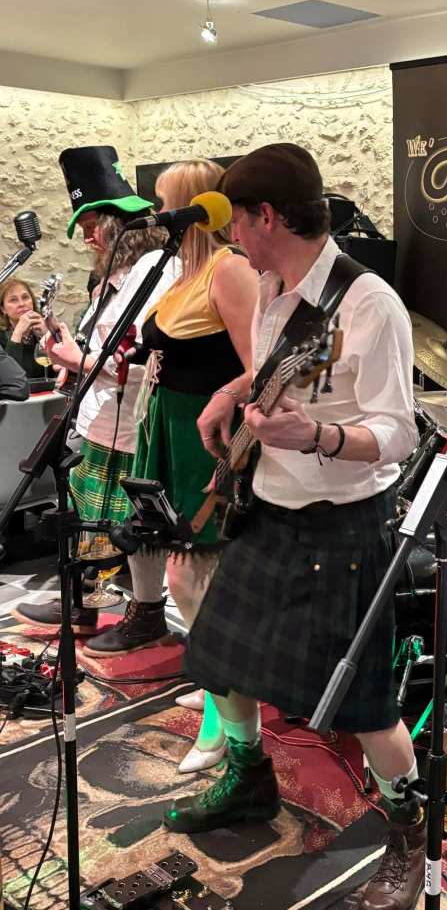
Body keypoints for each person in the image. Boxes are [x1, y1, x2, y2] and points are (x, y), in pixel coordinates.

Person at [161, 143, 424, 910]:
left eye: (237, 224)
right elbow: (275, 367)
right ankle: (249, 779)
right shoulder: (274, 287)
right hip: (269, 506)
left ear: (266, 217)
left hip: (343, 525)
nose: (231, 241)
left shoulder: (369, 303)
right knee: (222, 659)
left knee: (364, 703)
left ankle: (409, 827)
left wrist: (319, 437)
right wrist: (230, 392)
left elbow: (399, 432)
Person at [84, 157, 260, 774]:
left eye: (165, 201)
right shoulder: (180, 272)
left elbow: (261, 367)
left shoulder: (228, 269)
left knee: (192, 577)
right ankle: (218, 685)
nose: (158, 214)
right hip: (166, 429)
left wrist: (231, 441)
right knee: (183, 574)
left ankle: (225, 711)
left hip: (203, 439)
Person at [13, 145, 176, 644]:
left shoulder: (155, 271)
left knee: (135, 526)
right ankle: (80, 603)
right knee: (91, 520)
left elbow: (140, 360)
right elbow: (102, 347)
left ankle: (144, 613)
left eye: (91, 225)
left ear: (119, 224)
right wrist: (70, 354)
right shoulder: (112, 279)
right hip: (101, 419)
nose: (85, 238)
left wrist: (73, 360)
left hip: (131, 423)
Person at [0, 278, 49, 378]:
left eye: (25, 297)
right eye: (13, 300)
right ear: (3, 309)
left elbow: (63, 368)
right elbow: (7, 375)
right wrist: (17, 333)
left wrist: (47, 335)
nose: (22, 304)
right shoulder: (1, 337)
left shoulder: (46, 327)